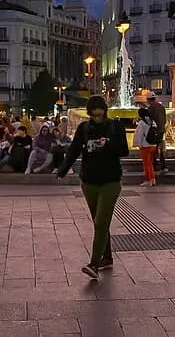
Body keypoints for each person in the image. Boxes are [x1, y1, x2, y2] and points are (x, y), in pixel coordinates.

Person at [57, 95, 129, 281]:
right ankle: (107, 257)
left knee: (101, 223)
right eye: (94, 115)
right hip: (88, 181)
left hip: (110, 182)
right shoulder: (84, 128)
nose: (97, 118)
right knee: (100, 223)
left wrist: (108, 144)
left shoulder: (115, 127)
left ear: (105, 112)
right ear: (89, 114)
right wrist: (63, 169)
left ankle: (94, 264)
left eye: (100, 115)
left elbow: (124, 150)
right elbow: (73, 150)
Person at [134, 107, 159, 186]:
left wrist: (138, 144)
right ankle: (153, 179)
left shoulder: (142, 122)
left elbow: (140, 134)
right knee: (150, 163)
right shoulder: (153, 121)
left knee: (146, 164)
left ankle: (148, 180)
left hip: (145, 146)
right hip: (153, 145)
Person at [146, 93, 168, 174]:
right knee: (161, 148)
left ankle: (154, 166)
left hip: (155, 131)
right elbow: (164, 119)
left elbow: (148, 120)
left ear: (148, 100)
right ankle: (163, 166)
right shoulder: (161, 107)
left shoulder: (151, 108)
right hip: (161, 130)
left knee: (153, 149)